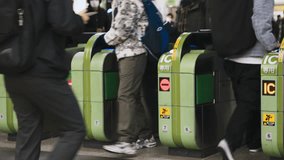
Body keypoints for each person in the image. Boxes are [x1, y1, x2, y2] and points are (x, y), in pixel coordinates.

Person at [3, 0, 89, 160]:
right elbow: (63, 23)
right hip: (43, 70)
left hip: (13, 68)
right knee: (74, 129)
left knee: (29, 132)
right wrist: (80, 19)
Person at [211, 0, 279, 159]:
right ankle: (229, 142)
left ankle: (254, 142)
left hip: (229, 57)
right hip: (253, 57)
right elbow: (260, 23)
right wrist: (274, 47)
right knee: (250, 103)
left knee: (246, 101)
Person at [97, 0, 157, 155]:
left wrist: (102, 39)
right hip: (128, 53)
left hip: (132, 53)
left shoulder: (129, 1)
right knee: (133, 96)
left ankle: (125, 141)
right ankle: (146, 135)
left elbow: (121, 31)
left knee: (125, 95)